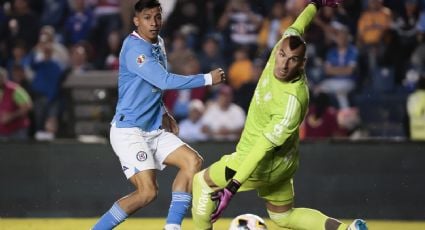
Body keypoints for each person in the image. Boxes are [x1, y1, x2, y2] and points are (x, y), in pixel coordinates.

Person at [191, 1, 368, 230]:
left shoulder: (292, 100)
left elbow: (261, 148)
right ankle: (348, 229)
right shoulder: (282, 46)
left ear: (303, 64)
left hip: (258, 162)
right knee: (283, 217)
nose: (283, 64)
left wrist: (232, 187)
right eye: (282, 55)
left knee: (201, 183)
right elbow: (299, 24)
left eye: (292, 60)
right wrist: (316, 4)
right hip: (285, 164)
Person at [91, 1, 225, 230]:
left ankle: (172, 227)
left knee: (192, 161)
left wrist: (164, 111)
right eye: (147, 17)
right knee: (147, 192)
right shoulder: (135, 49)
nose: (153, 23)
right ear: (136, 20)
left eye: (157, 16)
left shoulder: (159, 42)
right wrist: (207, 78)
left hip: (153, 129)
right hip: (129, 131)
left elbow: (152, 86)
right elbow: (163, 80)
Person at [0, 67, 32, 140]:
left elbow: (28, 106)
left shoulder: (14, 89)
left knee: (18, 151)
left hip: (17, 131)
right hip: (2, 132)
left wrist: (11, 116)